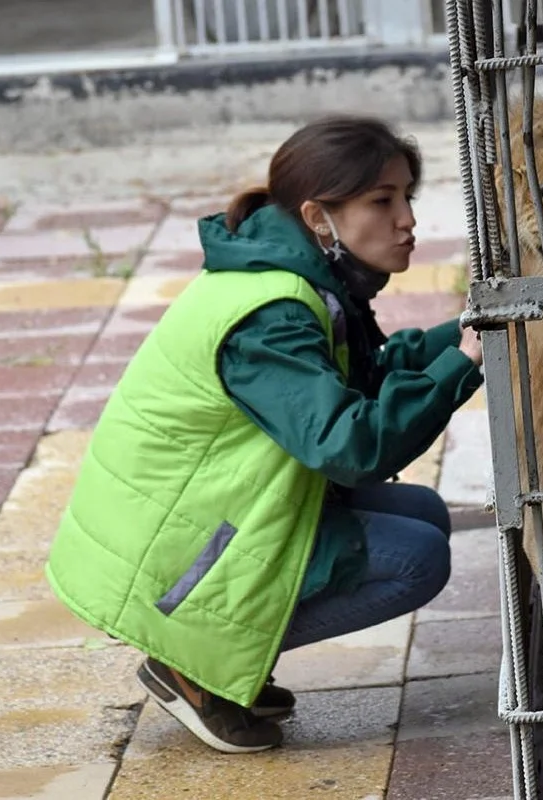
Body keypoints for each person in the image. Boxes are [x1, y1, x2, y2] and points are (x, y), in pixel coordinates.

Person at [45, 116, 485, 754]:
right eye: (381, 201)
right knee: (417, 559)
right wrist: (459, 366)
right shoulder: (270, 313)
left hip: (202, 514)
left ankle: (226, 657)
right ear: (318, 217)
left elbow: (363, 378)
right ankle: (195, 662)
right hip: (171, 555)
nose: (407, 220)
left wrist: (470, 332)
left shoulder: (296, 275)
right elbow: (351, 444)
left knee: (423, 511)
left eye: (407, 197)